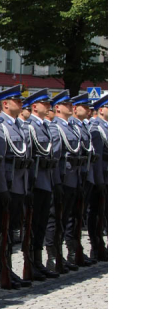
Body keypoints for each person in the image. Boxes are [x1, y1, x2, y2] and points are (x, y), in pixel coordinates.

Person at [0, 85, 33, 289]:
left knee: (13, 229)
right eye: (17, 100)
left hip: (19, 183)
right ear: (5, 104)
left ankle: (8, 267)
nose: (21, 103)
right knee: (2, 229)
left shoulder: (19, 125)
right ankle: (1, 270)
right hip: (7, 185)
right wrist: (1, 188)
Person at [21, 89, 61, 280]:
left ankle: (38, 261)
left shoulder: (45, 126)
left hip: (46, 180)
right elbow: (27, 156)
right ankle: (30, 263)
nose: (48, 106)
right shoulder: (29, 127)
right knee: (33, 224)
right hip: (35, 183)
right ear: (35, 106)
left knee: (42, 223)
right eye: (44, 103)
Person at [46, 90, 85, 272]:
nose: (71, 107)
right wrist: (56, 182)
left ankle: (64, 252)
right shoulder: (55, 128)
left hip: (73, 179)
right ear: (58, 108)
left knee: (68, 218)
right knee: (56, 219)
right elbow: (54, 157)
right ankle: (53, 256)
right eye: (67, 104)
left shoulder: (71, 127)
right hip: (61, 180)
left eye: (71, 104)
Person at [70, 93, 97, 266]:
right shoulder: (72, 127)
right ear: (75, 109)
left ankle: (76, 249)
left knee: (79, 216)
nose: (88, 110)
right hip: (71, 177)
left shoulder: (83, 126)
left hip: (83, 176)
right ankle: (71, 252)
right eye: (84, 107)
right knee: (70, 217)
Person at [87, 95, 108, 261]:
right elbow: (98, 157)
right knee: (98, 213)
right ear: (101, 110)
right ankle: (97, 246)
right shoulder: (97, 128)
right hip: (104, 177)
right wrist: (99, 180)